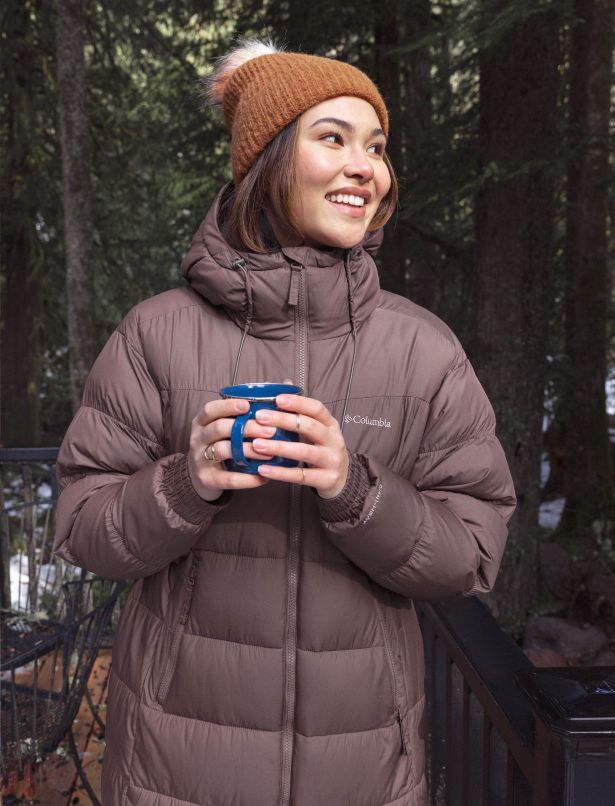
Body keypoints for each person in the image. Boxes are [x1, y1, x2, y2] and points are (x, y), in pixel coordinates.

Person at [54, 39, 516, 806]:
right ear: (266, 159)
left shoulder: (423, 349)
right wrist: (184, 483)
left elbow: (471, 553)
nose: (365, 167)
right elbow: (82, 526)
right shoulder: (156, 334)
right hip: (178, 769)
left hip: (361, 773)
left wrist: (357, 491)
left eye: (376, 147)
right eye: (332, 138)